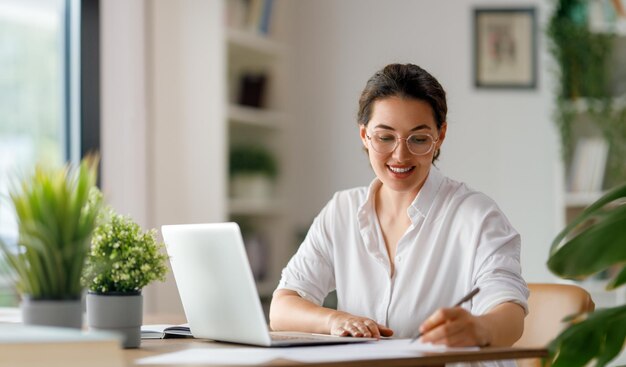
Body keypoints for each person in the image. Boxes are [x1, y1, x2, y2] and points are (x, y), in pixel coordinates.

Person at [269, 64, 528, 356]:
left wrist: (479, 329)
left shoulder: (477, 215)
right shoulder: (341, 211)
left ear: (440, 136)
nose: (400, 155)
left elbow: (510, 312)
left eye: (418, 138)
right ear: (365, 136)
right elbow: (282, 307)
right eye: (385, 137)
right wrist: (335, 319)